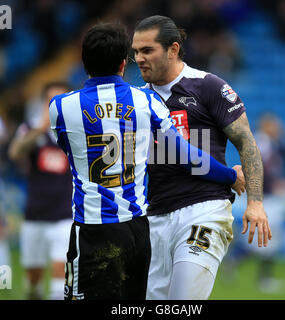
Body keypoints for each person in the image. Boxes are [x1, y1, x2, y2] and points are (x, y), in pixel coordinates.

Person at [49, 22, 245, 300]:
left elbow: (66, 147)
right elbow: (187, 156)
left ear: (84, 63)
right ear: (122, 64)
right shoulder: (147, 100)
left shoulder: (60, 107)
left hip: (92, 230)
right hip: (137, 230)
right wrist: (230, 175)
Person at [132, 15, 272, 300]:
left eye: (147, 51)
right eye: (135, 52)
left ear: (172, 49)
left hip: (203, 210)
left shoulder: (207, 86)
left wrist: (255, 202)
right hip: (155, 216)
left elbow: (246, 142)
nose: (139, 58)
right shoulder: (136, 100)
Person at [8, 82, 73, 300]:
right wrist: (40, 129)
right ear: (44, 103)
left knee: (58, 281)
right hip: (35, 215)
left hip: (65, 215)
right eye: (51, 100)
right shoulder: (31, 128)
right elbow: (16, 153)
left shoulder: (75, 132)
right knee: (33, 282)